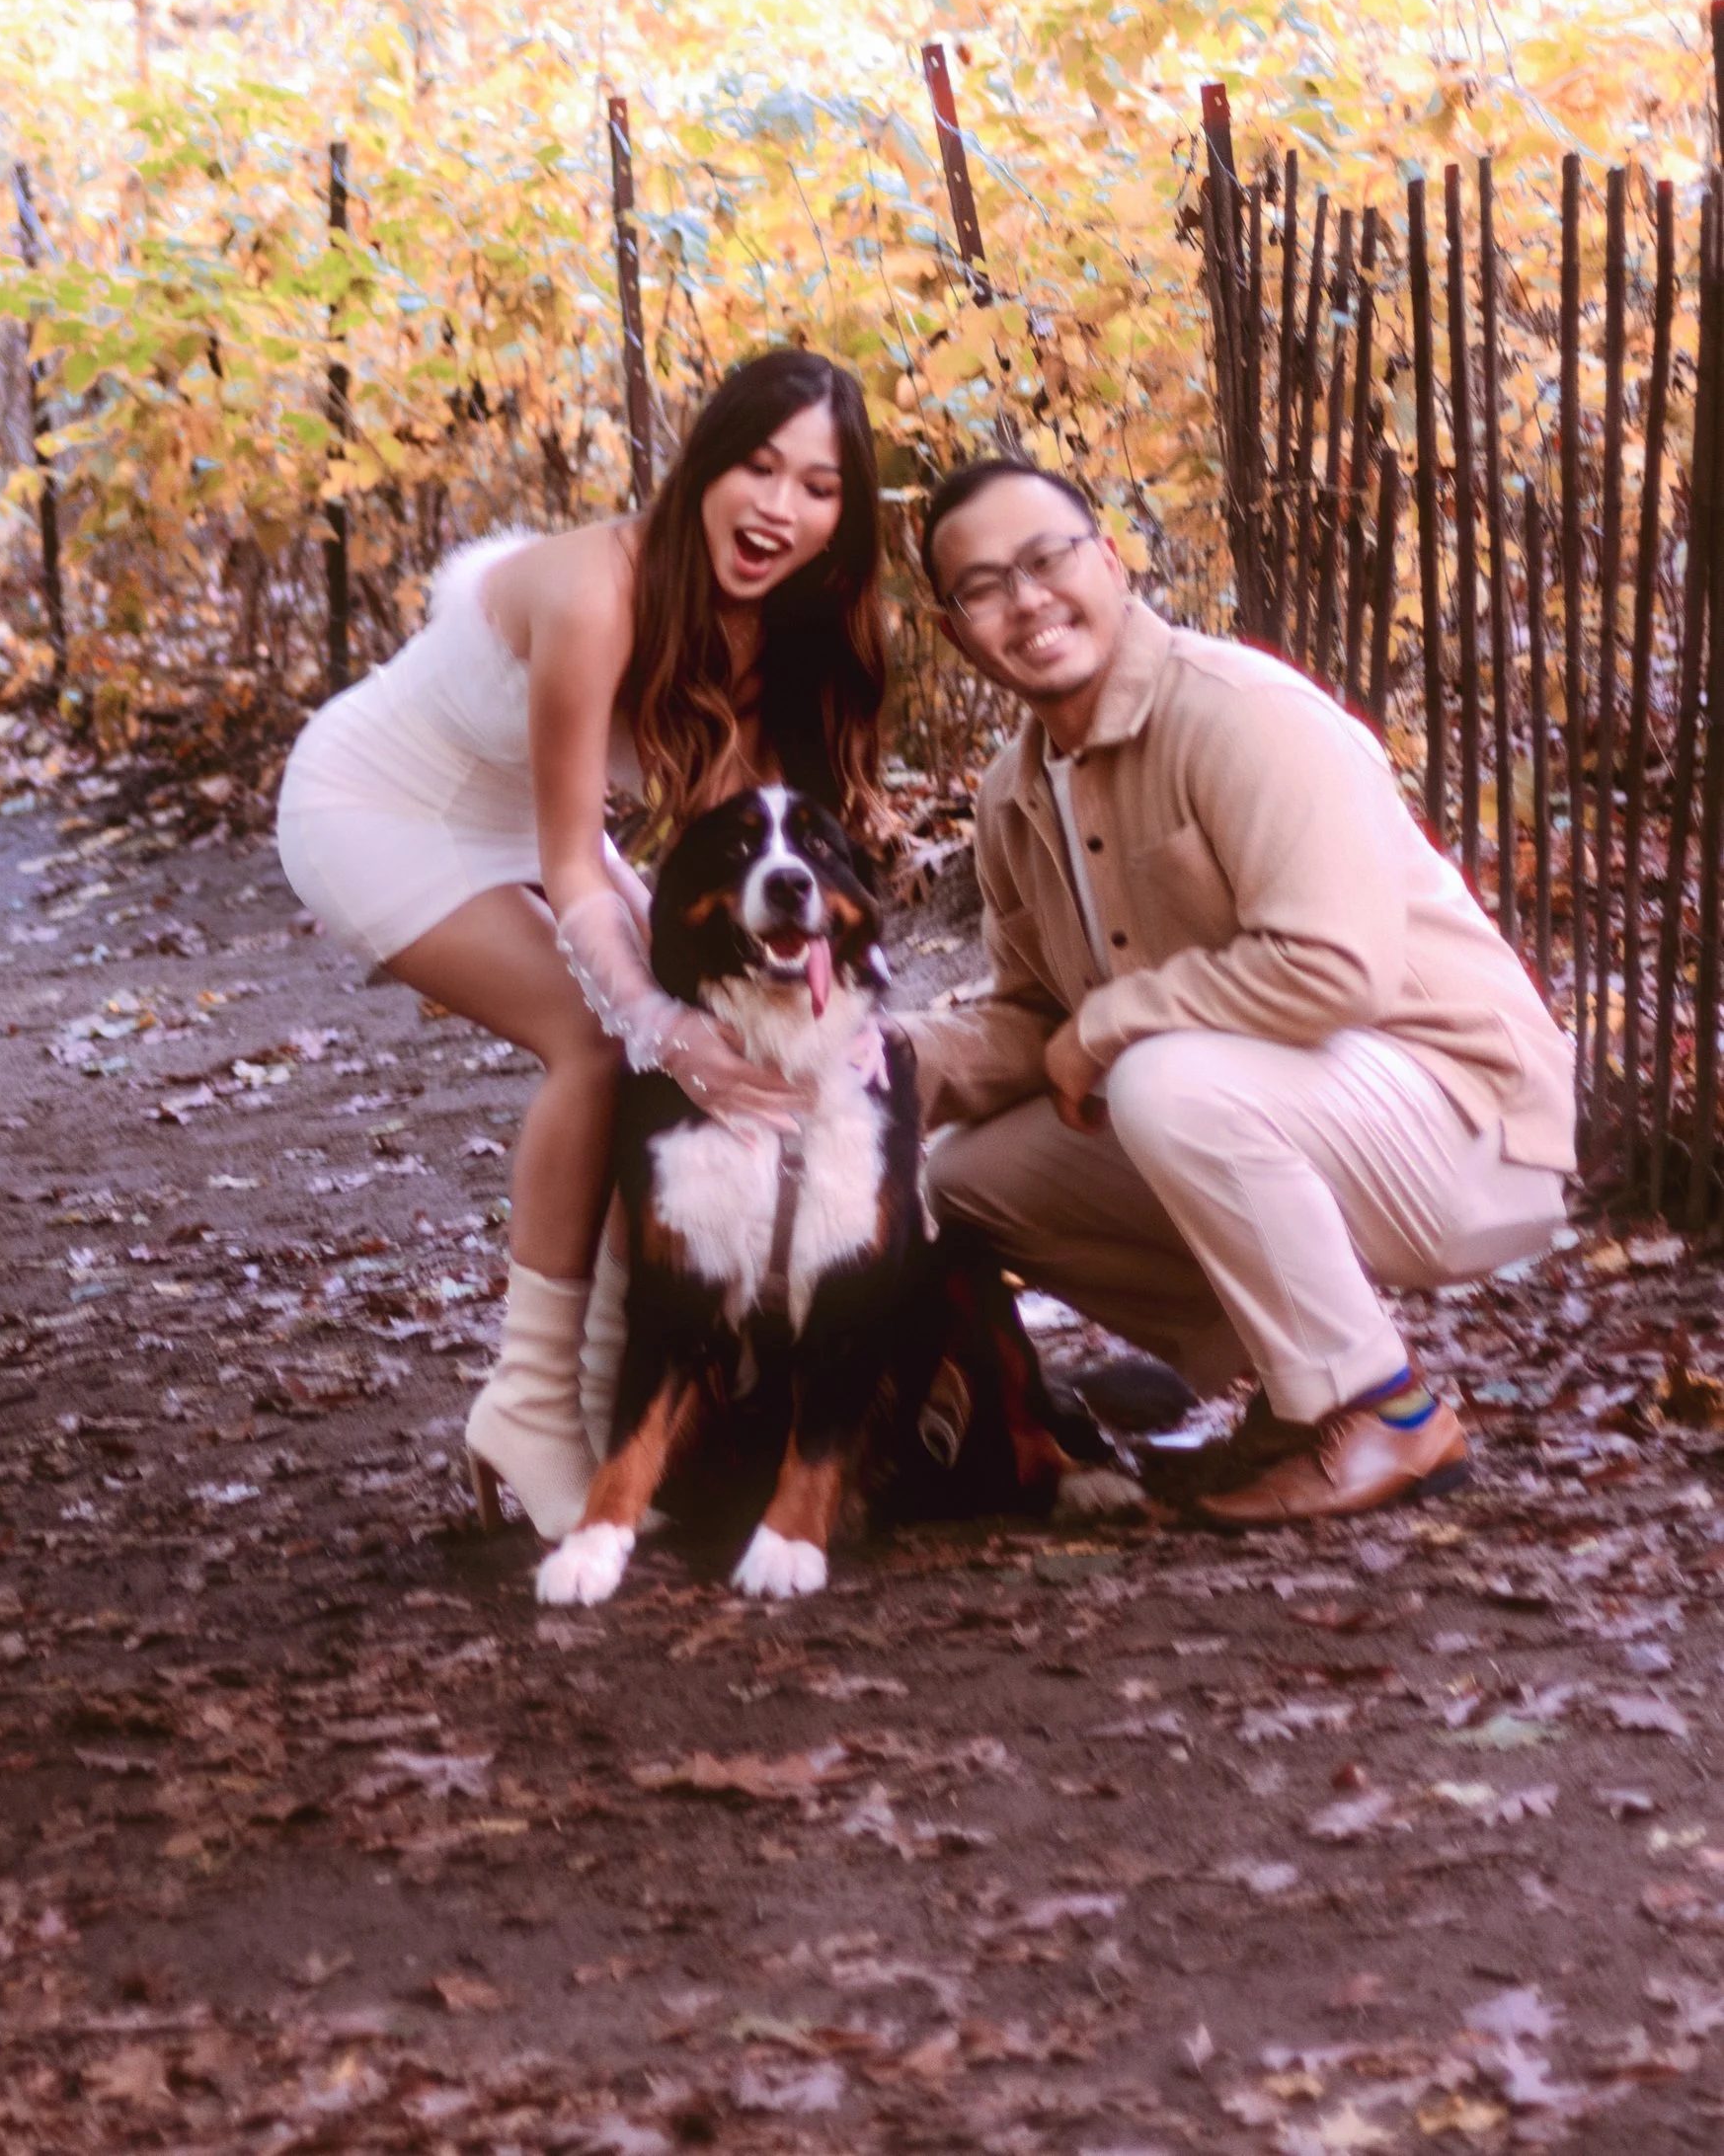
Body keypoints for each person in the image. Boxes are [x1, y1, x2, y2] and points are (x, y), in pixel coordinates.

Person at [276, 346, 892, 1538]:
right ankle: (527, 1406)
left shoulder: (781, 624)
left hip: (514, 820)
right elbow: (572, 865)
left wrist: (840, 1024)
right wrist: (658, 1022)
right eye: (759, 468)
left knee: (701, 1046)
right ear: (704, 463)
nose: (780, 507)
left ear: (843, 517)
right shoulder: (595, 591)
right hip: (375, 806)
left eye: (818, 488)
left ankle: (621, 1397)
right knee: (601, 1045)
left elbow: (761, 862)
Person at [903, 455, 1574, 1528]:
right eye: (982, 588)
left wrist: (1109, 1025)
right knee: (971, 1177)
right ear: (953, 630)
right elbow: (1037, 1019)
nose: (1025, 602)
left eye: (1046, 560)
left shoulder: (1240, 710)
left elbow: (1332, 968)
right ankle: (1297, 1385)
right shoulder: (1010, 794)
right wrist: (885, 1064)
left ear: (1109, 561)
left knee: (1160, 1079)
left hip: (1464, 1119)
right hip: (1290, 1108)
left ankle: (1387, 1412)